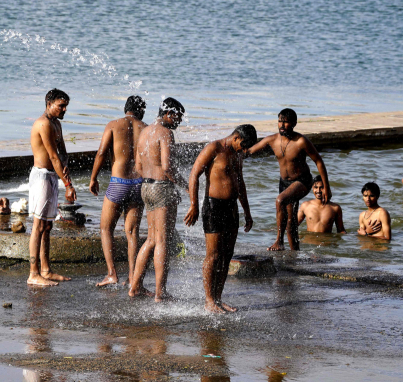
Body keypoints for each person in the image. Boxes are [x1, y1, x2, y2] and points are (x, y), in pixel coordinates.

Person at [184, 125, 256, 313]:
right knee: (213, 255)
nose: (245, 150)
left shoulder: (238, 154)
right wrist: (194, 205)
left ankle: (218, 298)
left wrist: (247, 212)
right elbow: (194, 175)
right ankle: (209, 300)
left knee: (226, 255)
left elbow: (240, 183)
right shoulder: (214, 148)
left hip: (232, 208)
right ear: (236, 138)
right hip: (213, 206)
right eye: (244, 145)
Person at [247, 108, 332, 251]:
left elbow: (318, 161)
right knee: (291, 223)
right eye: (280, 121)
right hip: (284, 183)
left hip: (302, 181)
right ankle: (295, 253)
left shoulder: (301, 141)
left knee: (280, 200)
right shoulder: (272, 140)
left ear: (293, 123)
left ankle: (278, 242)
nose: (281, 124)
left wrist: (327, 188)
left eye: (285, 122)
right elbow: (249, 152)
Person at [128, 98, 187, 302]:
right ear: (169, 114)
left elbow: (137, 165)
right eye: (178, 117)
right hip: (161, 188)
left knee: (152, 239)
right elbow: (167, 166)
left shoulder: (144, 132)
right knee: (163, 241)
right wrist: (185, 185)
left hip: (146, 187)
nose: (179, 122)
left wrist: (151, 181)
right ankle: (160, 293)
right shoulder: (166, 133)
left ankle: (135, 287)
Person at [89, 96, 147, 287]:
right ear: (141, 111)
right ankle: (132, 278)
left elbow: (101, 153)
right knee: (132, 232)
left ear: (126, 108)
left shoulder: (113, 125)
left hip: (118, 182)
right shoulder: (146, 128)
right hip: (139, 184)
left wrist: (93, 178)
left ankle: (112, 274)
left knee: (106, 228)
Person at [28, 89, 76, 286]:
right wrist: (67, 185)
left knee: (48, 225)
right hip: (41, 177)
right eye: (61, 106)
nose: (64, 109)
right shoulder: (44, 124)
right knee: (38, 226)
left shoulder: (56, 123)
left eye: (66, 106)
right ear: (49, 104)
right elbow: (53, 156)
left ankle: (45, 270)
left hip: (51, 177)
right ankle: (33, 274)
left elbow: (62, 153)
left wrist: (67, 179)